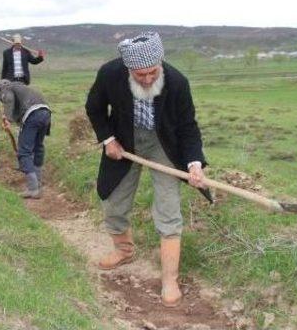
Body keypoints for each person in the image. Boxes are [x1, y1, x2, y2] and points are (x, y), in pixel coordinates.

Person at [85, 32, 207, 308]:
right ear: (128, 69)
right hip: (124, 140)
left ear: (160, 63)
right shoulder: (109, 74)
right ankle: (124, 250)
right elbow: (94, 108)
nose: (148, 79)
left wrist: (194, 163)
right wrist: (108, 139)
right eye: (141, 75)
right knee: (114, 200)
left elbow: (188, 126)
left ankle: (169, 279)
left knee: (168, 208)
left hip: (163, 143)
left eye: (153, 72)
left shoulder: (176, 82)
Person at [0, 79, 51, 198]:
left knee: (24, 151)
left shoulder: (7, 90)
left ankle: (33, 188)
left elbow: (8, 99)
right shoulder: (22, 88)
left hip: (33, 115)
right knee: (38, 147)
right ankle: (38, 183)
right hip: (46, 112)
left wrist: (7, 118)